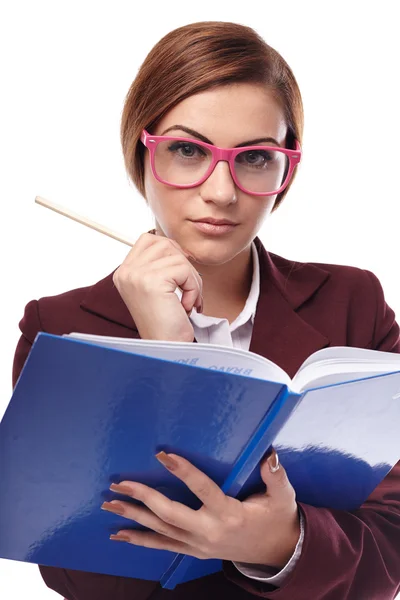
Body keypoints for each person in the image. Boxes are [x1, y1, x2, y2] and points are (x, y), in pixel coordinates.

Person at [12, 20, 400, 600]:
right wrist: (165, 357)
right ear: (140, 153)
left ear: (286, 169)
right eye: (188, 150)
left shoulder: (353, 304)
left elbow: (390, 544)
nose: (221, 192)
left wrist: (281, 546)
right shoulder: (60, 328)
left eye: (256, 157)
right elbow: (73, 571)